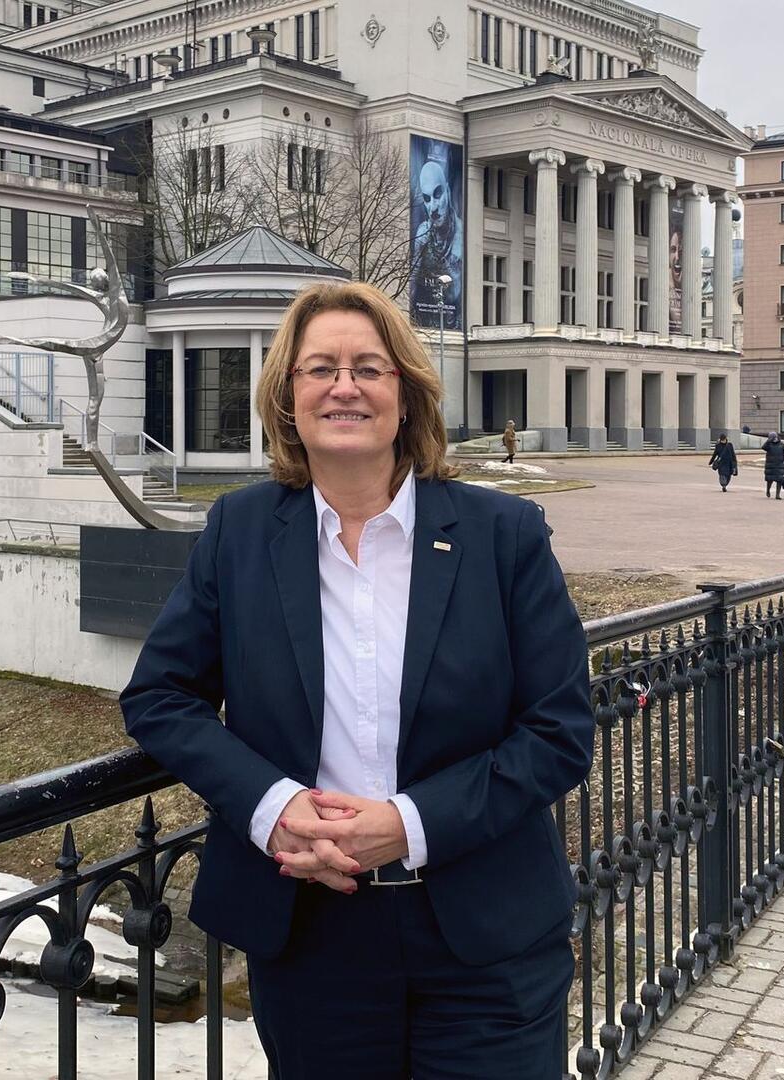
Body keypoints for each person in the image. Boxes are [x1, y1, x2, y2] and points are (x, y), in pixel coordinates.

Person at [121, 281, 593, 1079]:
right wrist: (274, 809)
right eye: (321, 369)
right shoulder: (239, 531)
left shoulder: (500, 535)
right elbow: (160, 697)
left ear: (404, 396)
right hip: (312, 935)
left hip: (484, 939)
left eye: (370, 367)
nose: (345, 385)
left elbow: (558, 732)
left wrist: (407, 825)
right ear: (289, 397)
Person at [763, 431, 784, 499]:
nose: (773, 439)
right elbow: (763, 447)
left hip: (779, 465)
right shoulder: (769, 444)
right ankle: (768, 490)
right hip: (770, 465)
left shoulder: (781, 444)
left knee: (779, 480)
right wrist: (768, 441)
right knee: (770, 480)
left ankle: (777, 495)